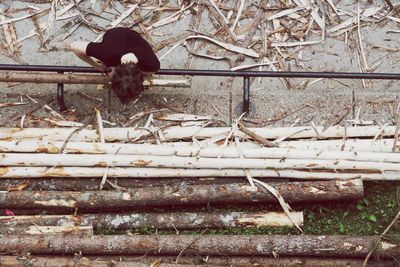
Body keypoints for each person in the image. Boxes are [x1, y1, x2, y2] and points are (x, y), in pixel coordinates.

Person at [70, 27, 160, 103]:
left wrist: (99, 66)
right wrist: (96, 66)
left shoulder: (152, 65)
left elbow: (74, 45)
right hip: (113, 34)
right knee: (108, 60)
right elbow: (73, 45)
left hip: (133, 37)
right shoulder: (106, 54)